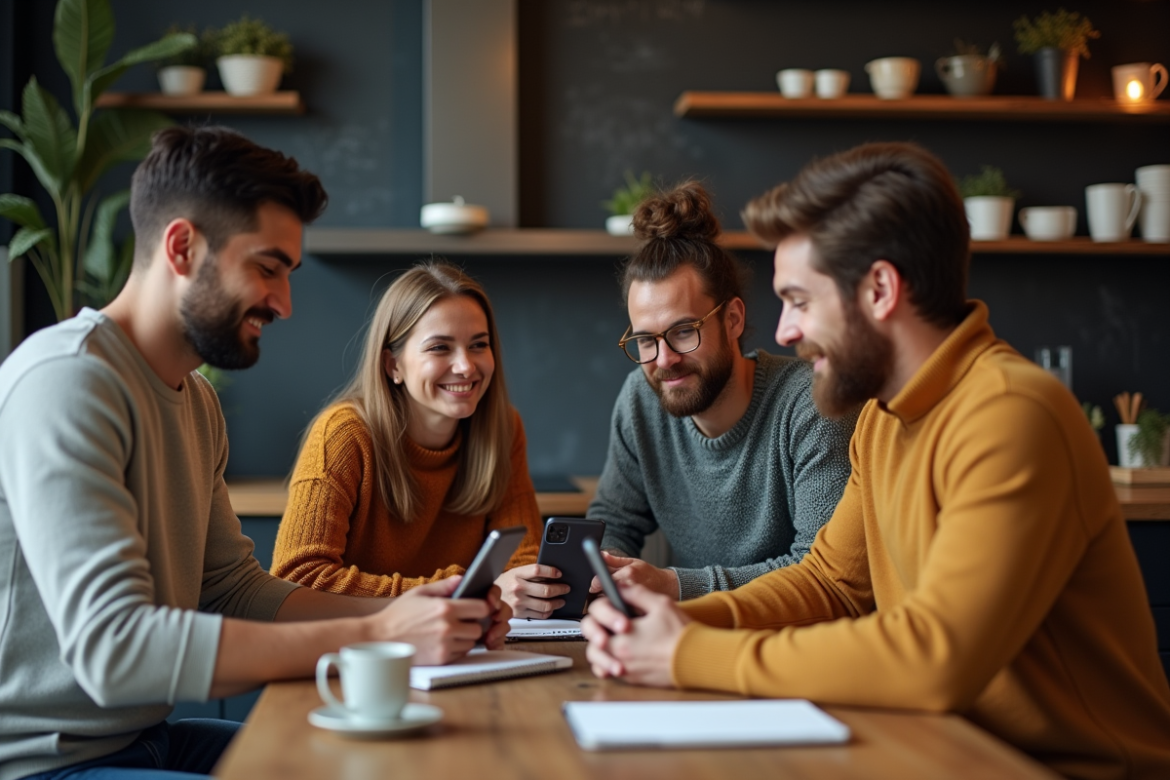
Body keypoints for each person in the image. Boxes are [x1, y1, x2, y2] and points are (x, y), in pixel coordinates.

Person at [580, 142, 1170, 780]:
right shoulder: (883, 419)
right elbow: (830, 583)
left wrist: (687, 652)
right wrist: (671, 624)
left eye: (801, 301)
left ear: (880, 290)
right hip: (944, 749)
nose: (785, 332)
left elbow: (936, 656)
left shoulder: (1011, 413)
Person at [0, 127, 510, 780]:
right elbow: (115, 650)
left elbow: (233, 590)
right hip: (44, 762)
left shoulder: (196, 401)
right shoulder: (68, 380)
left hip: (144, 739)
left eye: (288, 275)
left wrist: (416, 611)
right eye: (267, 268)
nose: (285, 304)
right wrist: (380, 634)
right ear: (182, 247)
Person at [586, 181, 856, 601]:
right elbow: (614, 521)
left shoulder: (812, 404)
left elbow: (821, 575)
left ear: (732, 319)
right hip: (690, 628)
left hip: (794, 633)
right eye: (645, 340)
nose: (663, 360)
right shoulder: (641, 398)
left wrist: (674, 585)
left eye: (683, 331)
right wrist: (599, 572)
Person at [270, 261, 562, 619]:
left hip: (462, 637)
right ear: (393, 365)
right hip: (364, 645)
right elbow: (297, 578)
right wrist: (461, 592)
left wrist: (525, 587)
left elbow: (523, 559)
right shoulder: (343, 434)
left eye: (478, 345)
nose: (466, 366)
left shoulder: (502, 428)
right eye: (440, 347)